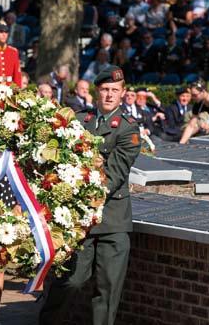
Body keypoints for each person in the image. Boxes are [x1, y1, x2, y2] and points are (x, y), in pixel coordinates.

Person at [40, 65, 141, 325]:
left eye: (115, 90)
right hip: (79, 222)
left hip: (112, 220)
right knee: (70, 281)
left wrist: (80, 187)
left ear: (123, 93)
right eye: (105, 89)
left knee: (107, 291)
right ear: (97, 92)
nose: (109, 95)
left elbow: (114, 174)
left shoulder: (128, 130)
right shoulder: (80, 120)